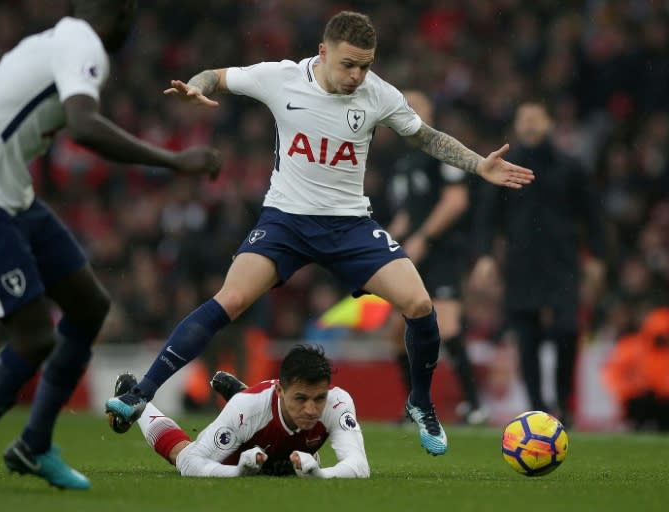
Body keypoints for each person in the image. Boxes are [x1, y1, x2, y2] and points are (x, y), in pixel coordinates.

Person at [106, 10, 534, 457]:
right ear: (323, 52)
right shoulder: (281, 78)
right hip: (285, 221)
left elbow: (426, 137)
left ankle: (420, 403)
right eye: (348, 64)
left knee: (420, 304)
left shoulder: (379, 94)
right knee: (229, 300)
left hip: (349, 225)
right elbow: (217, 75)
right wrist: (196, 86)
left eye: (365, 65)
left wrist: (477, 163)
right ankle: (142, 392)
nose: (357, 75)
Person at [0, 0, 221, 494]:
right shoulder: (82, 43)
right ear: (116, 16)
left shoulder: (57, 40)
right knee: (34, 337)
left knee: (88, 304)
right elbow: (82, 125)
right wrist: (172, 161)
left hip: (10, 193)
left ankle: (34, 445)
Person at [471, 100, 605, 428]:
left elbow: (593, 216)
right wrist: (486, 256)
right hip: (521, 263)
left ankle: (564, 401)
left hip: (562, 262)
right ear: (516, 126)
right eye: (524, 119)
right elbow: (488, 218)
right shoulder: (505, 166)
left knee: (567, 330)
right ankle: (538, 407)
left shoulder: (570, 166)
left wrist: (597, 257)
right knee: (526, 338)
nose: (530, 124)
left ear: (548, 123)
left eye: (536, 118)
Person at [385, 91, 485, 425]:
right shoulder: (402, 161)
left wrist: (424, 238)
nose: (409, 111)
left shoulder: (440, 150)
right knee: (396, 332)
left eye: (417, 106)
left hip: (441, 251)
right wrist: (383, 242)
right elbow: (404, 216)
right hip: (412, 254)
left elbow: (455, 201)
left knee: (449, 324)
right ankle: (416, 405)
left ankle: (474, 405)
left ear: (430, 113)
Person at [124, 345, 369, 478]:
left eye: (319, 398)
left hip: (278, 442)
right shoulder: (249, 409)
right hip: (243, 446)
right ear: (280, 390)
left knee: (303, 462)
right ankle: (139, 405)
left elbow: (359, 466)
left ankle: (244, 400)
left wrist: (319, 474)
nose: (311, 409)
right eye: (301, 398)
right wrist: (238, 472)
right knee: (182, 454)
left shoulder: (337, 402)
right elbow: (190, 464)